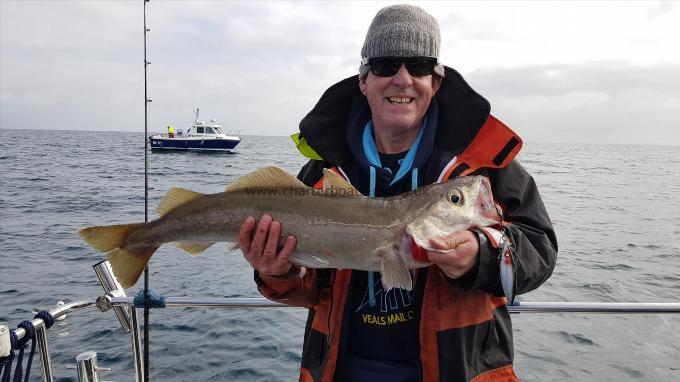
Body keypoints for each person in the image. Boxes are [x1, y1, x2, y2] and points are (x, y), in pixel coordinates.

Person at [238, 5, 557, 381]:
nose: (403, 79)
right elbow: (307, 285)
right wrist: (278, 272)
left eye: (420, 65)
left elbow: (540, 249)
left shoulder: (483, 167)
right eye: (386, 64)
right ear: (364, 81)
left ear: (435, 82)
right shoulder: (322, 172)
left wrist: (481, 256)